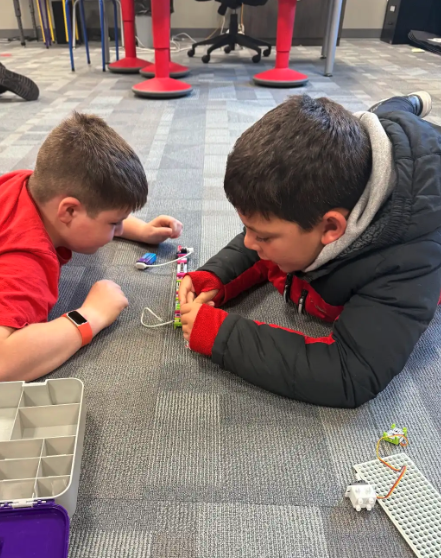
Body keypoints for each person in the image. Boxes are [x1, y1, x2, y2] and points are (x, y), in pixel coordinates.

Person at [178, 92, 441, 409]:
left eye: (263, 236)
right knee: (392, 110)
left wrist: (220, 335)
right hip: (394, 129)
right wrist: (216, 275)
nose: (248, 243)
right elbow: (265, 242)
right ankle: (411, 101)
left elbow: (351, 373)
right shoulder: (327, 183)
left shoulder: (409, 260)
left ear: (331, 228)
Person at [0, 112, 182, 382]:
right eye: (114, 223)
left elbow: (91, 206)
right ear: (69, 211)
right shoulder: (22, 261)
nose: (119, 228)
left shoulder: (33, 184)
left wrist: (139, 229)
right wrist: (91, 315)